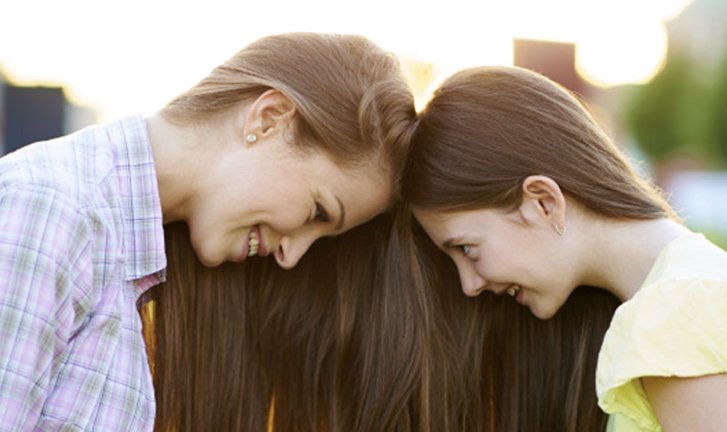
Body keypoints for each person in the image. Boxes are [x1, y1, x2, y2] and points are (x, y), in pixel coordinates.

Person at [0, 32, 416, 430]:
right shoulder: (53, 210)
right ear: (269, 119)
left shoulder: (126, 254)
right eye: (319, 212)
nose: (293, 255)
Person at [402, 66, 727, 431]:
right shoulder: (676, 294)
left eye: (466, 249)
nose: (469, 284)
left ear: (543, 202)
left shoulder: (679, 310)